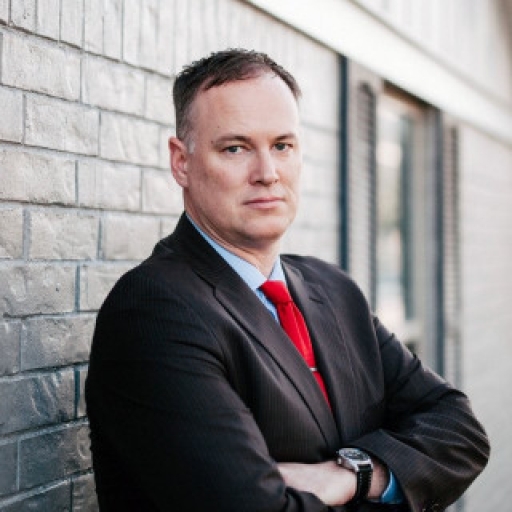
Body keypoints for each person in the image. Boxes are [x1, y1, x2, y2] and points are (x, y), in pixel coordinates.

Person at [85, 49, 489, 512]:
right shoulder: (154, 310)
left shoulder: (334, 291)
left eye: (282, 146)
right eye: (235, 148)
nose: (267, 173)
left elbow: (461, 433)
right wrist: (399, 475)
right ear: (182, 162)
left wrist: (353, 474)